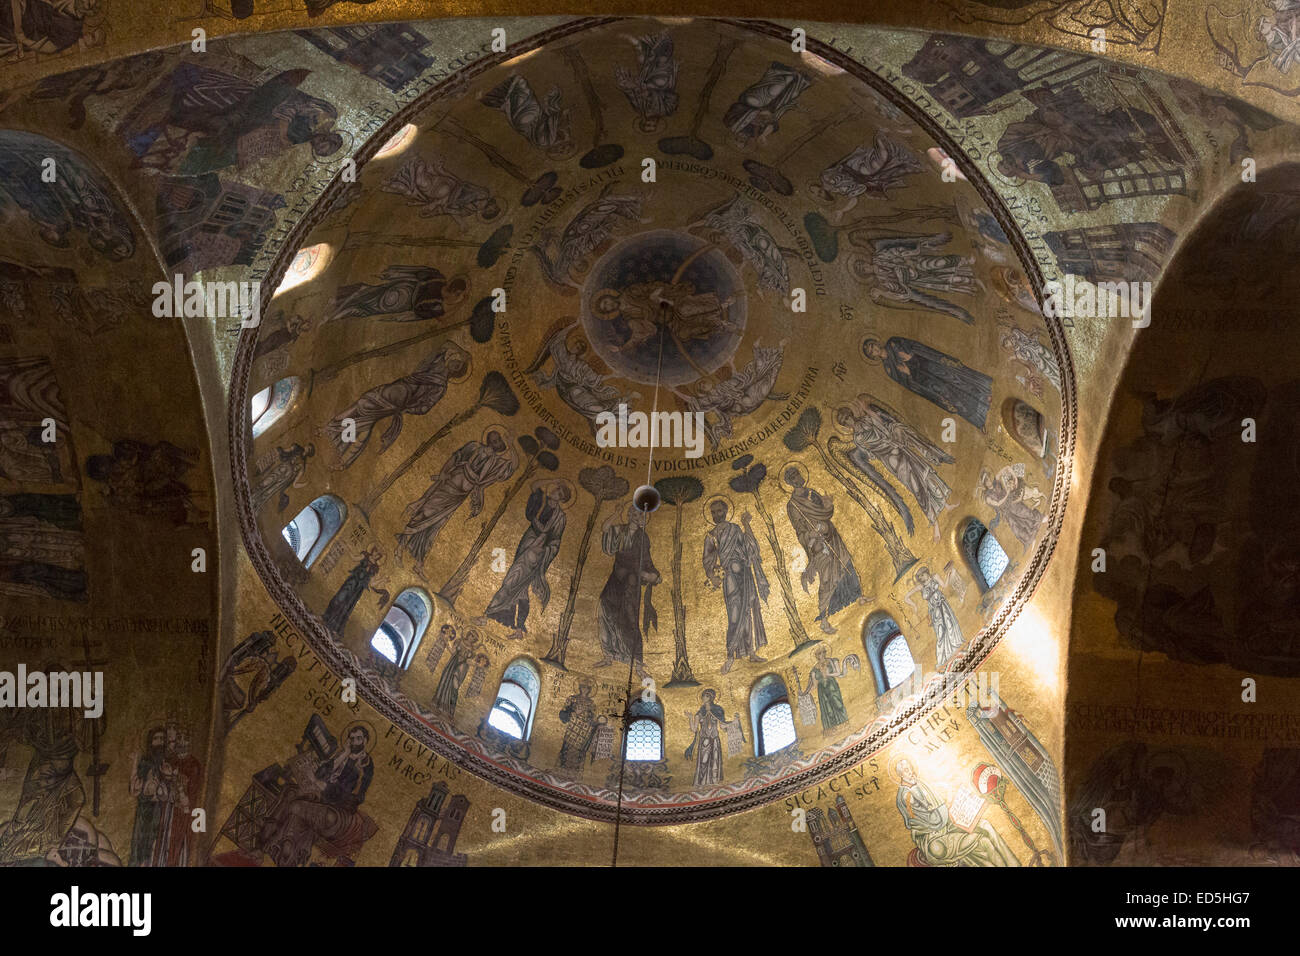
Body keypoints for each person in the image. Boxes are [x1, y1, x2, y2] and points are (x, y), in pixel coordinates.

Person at [702, 498, 768, 673]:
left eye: (719, 511)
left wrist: (747, 525)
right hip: (730, 576)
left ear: (725, 511)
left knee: (749, 611)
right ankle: (731, 655)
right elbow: (708, 559)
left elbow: (749, 548)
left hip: (745, 574)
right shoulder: (711, 535)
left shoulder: (735, 529)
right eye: (713, 512)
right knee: (734, 615)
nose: (717, 515)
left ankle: (751, 652)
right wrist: (712, 575)